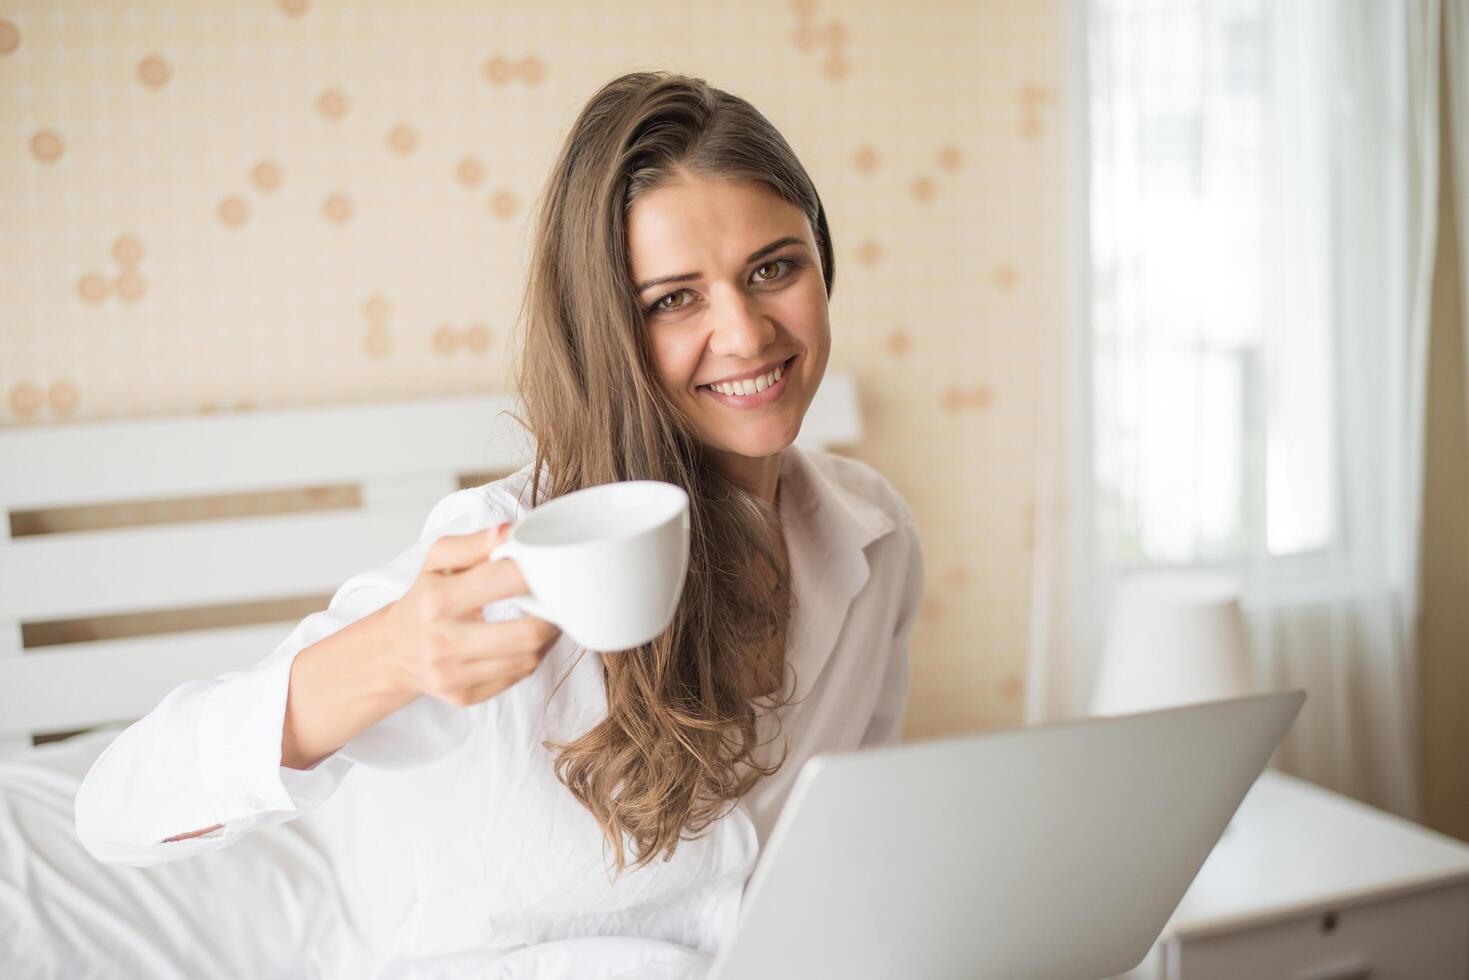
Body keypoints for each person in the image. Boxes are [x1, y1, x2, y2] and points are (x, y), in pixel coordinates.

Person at [74, 70, 924, 980]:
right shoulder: (499, 554)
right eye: (673, 299)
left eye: (773, 268)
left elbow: (835, 845)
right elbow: (113, 815)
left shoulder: (872, 532)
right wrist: (393, 655)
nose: (748, 333)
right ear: (607, 331)